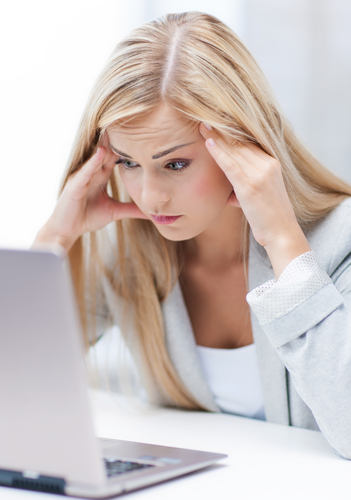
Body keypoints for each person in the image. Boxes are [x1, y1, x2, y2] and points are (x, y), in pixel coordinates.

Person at [33, 11, 351, 458]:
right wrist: (54, 240)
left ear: (243, 142)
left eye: (175, 164)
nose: (149, 197)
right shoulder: (131, 254)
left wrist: (282, 239)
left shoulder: (341, 242)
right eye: (127, 163)